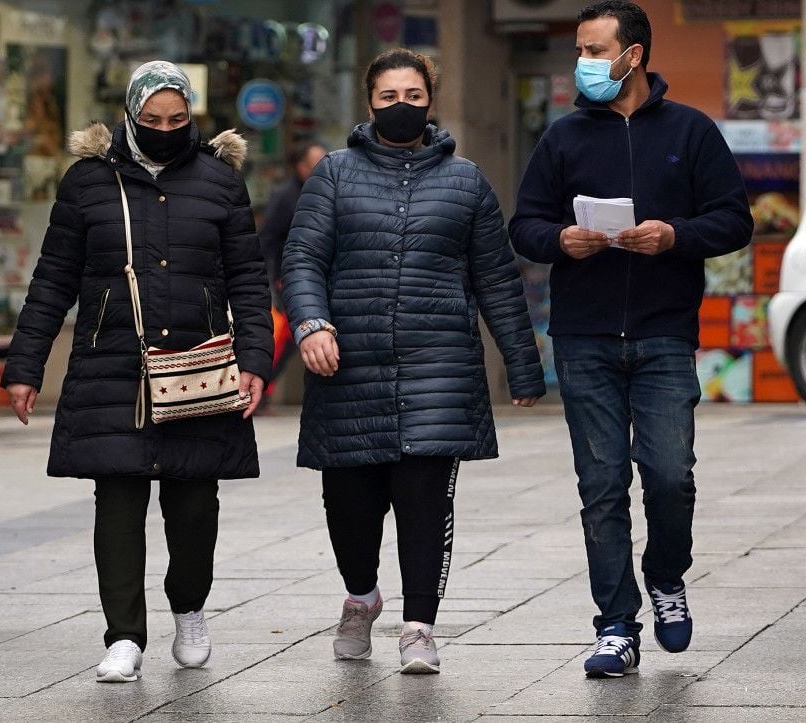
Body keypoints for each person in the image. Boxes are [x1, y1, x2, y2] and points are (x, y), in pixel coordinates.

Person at [1, 61, 273, 684]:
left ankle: (189, 607)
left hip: (196, 366)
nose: (165, 129)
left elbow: (249, 281)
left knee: (196, 503)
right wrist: (26, 366)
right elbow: (52, 281)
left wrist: (255, 359)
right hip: (112, 367)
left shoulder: (220, 182)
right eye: (152, 121)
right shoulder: (87, 183)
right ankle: (124, 635)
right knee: (117, 504)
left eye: (178, 120)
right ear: (130, 115)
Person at [508, 1, 753, 679]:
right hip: (584, 338)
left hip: (664, 334)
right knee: (602, 484)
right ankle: (616, 624)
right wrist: (561, 240)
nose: (583, 63)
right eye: (580, 50)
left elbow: (735, 220)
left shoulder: (691, 132)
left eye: (594, 50)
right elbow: (523, 225)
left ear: (633, 55)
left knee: (671, 476)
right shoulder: (562, 139)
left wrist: (673, 235)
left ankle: (666, 574)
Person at [281, 48, 546, 674]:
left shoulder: (467, 181)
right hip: (345, 371)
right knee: (349, 509)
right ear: (368, 103)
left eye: (413, 96)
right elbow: (302, 260)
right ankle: (361, 596)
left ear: (431, 99)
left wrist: (522, 364)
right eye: (388, 98)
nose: (402, 107)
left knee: (426, 505)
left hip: (440, 370)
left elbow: (497, 281)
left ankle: (419, 626)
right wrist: (312, 323)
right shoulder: (334, 175)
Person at [259, 143, 327, 397]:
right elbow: (268, 240)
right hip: (288, 281)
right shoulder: (285, 195)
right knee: (287, 338)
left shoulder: (332, 192)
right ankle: (263, 387)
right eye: (315, 164)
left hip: (324, 279)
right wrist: (270, 280)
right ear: (301, 167)